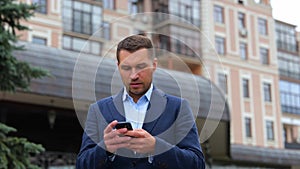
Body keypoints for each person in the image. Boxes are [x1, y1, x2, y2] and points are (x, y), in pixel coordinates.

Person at [76, 35, 205, 169]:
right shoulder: (98, 110)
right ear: (118, 67)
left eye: (141, 67)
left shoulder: (178, 108)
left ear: (154, 65)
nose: (134, 75)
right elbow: (81, 164)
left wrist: (156, 147)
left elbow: (197, 164)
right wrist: (105, 148)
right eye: (126, 68)